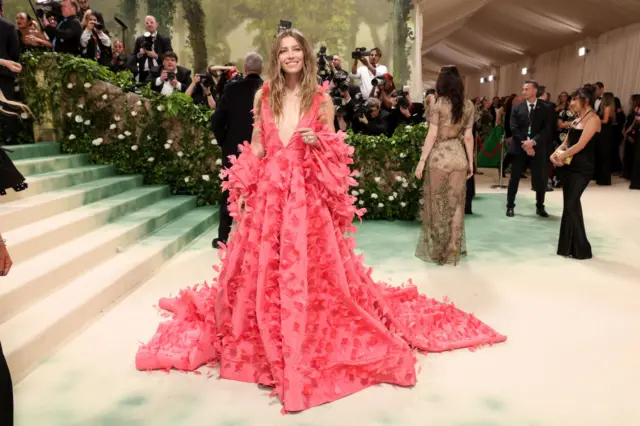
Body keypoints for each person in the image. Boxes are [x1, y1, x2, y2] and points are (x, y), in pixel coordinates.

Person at [135, 30, 506, 413]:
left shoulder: (321, 99)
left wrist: (319, 141)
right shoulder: (264, 96)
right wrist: (245, 183)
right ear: (276, 58)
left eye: (297, 50)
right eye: (284, 51)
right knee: (262, 266)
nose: (291, 56)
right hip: (270, 194)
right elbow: (259, 144)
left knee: (311, 269)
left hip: (307, 197)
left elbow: (335, 148)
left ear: (306, 56)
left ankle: (304, 325)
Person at [414, 66, 475, 265]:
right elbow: (468, 137)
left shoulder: (437, 103)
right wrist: (471, 163)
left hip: (439, 157)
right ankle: (453, 246)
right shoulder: (468, 105)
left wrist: (421, 161)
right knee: (456, 204)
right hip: (458, 157)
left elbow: (432, 135)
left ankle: (439, 249)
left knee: (437, 204)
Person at [210, 52, 264, 248]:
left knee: (229, 191)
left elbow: (216, 120)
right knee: (261, 193)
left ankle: (223, 237)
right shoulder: (268, 90)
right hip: (263, 151)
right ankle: (258, 240)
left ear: (244, 68)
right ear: (262, 70)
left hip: (233, 150)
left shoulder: (231, 90)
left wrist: (224, 142)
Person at [550, 85, 601, 260]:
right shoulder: (577, 119)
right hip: (569, 167)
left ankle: (582, 248)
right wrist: (555, 153)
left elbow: (581, 145)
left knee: (571, 205)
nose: (571, 103)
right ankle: (575, 248)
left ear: (585, 101)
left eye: (574, 100)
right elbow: (567, 141)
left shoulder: (593, 119)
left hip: (583, 169)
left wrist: (562, 155)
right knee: (571, 206)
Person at [506, 80, 552, 218]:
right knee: (514, 178)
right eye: (523, 89)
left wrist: (533, 142)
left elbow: (547, 128)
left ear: (534, 91)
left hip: (538, 148)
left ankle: (540, 206)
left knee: (540, 178)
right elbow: (514, 127)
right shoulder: (517, 107)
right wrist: (526, 144)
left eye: (526, 89)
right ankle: (510, 206)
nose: (523, 92)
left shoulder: (546, 107)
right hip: (520, 148)